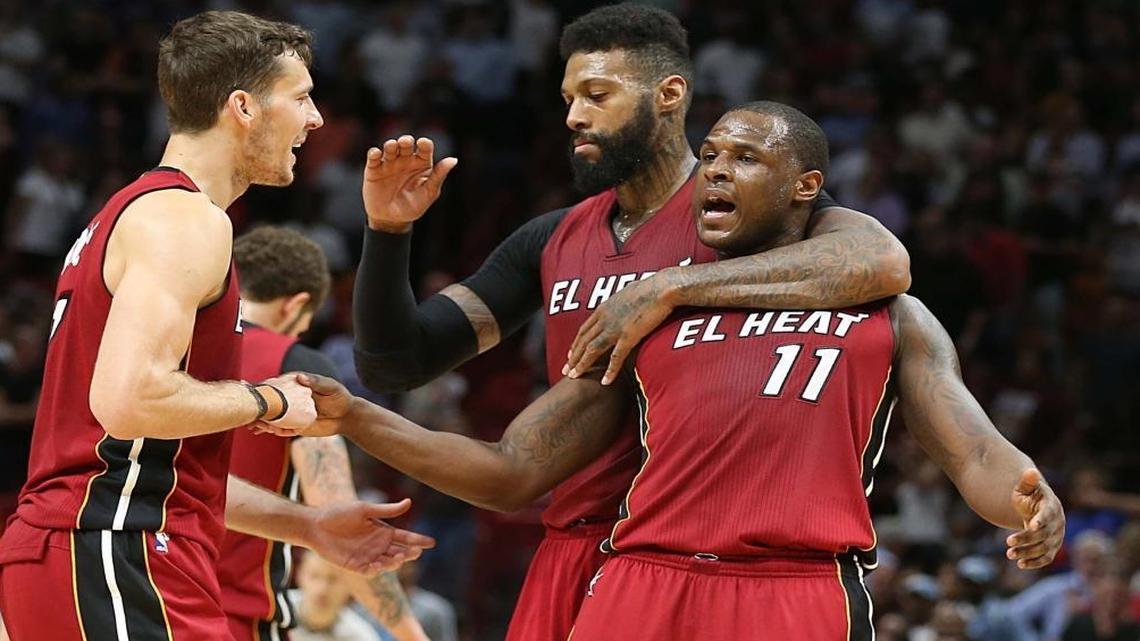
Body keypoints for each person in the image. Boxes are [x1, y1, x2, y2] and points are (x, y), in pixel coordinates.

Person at [307, 101, 1064, 640]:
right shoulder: (645, 315)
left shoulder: (891, 313)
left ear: (805, 187)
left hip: (795, 585)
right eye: (710, 157)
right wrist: (359, 417)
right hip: (642, 577)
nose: (716, 173)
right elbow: (513, 469)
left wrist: (1027, 502)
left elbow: (975, 450)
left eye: (746, 159)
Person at [352, 5, 911, 640]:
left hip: (686, 555)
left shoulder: (743, 215)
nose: (574, 117)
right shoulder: (551, 237)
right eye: (568, 99)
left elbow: (880, 260)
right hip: (571, 543)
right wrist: (387, 231)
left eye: (597, 95)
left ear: (668, 95)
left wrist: (668, 286)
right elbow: (396, 362)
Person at [0, 12, 431, 641]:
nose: (315, 119)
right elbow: (128, 400)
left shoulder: (139, 213)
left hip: (97, 547)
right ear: (243, 107)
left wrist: (307, 527)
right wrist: (268, 399)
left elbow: (152, 457)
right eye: (301, 98)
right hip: (117, 548)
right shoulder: (185, 220)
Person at [223, 226, 429, 641]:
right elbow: (338, 519)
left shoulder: (176, 349)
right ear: (296, 306)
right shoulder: (297, 368)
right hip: (228, 615)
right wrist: (412, 636)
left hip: (135, 595)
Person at [290, 552, 382, 641]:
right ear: (300, 575)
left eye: (333, 579)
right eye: (314, 576)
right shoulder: (281, 609)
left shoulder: (362, 637)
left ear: (350, 586)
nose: (322, 589)